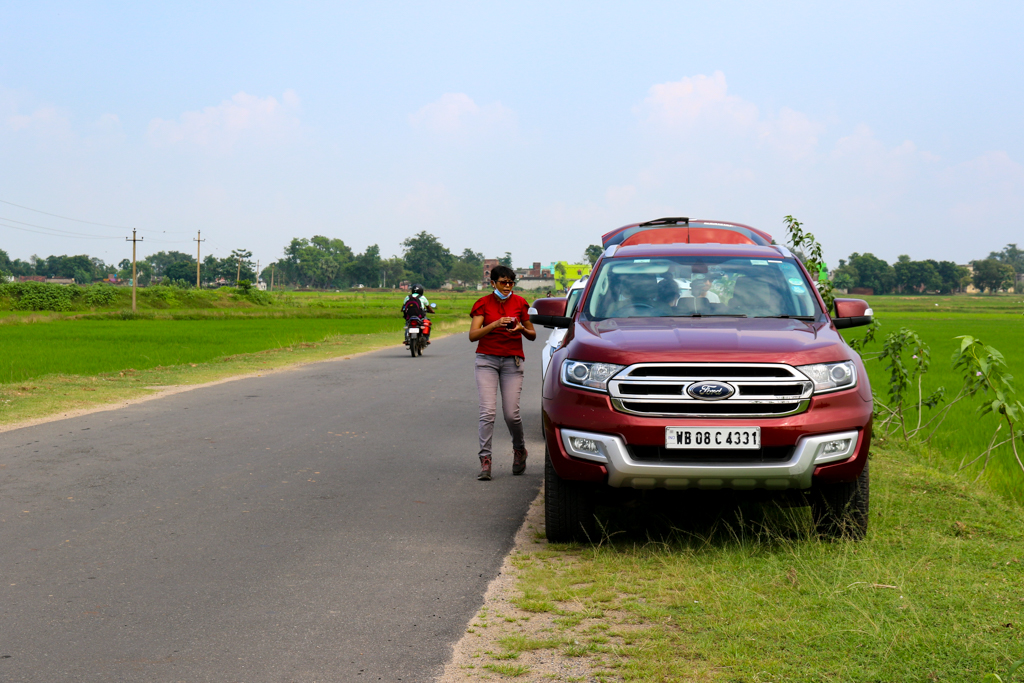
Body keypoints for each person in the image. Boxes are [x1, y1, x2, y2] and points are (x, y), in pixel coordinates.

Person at [468, 266, 537, 481]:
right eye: (503, 282)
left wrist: (521, 330)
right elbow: (473, 335)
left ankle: (519, 450)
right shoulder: (483, 303)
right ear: (493, 283)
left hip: (512, 362)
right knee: (487, 413)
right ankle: (485, 460)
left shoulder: (520, 303)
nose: (507, 287)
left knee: (511, 414)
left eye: (511, 283)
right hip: (487, 361)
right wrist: (496, 324)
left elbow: (532, 334)